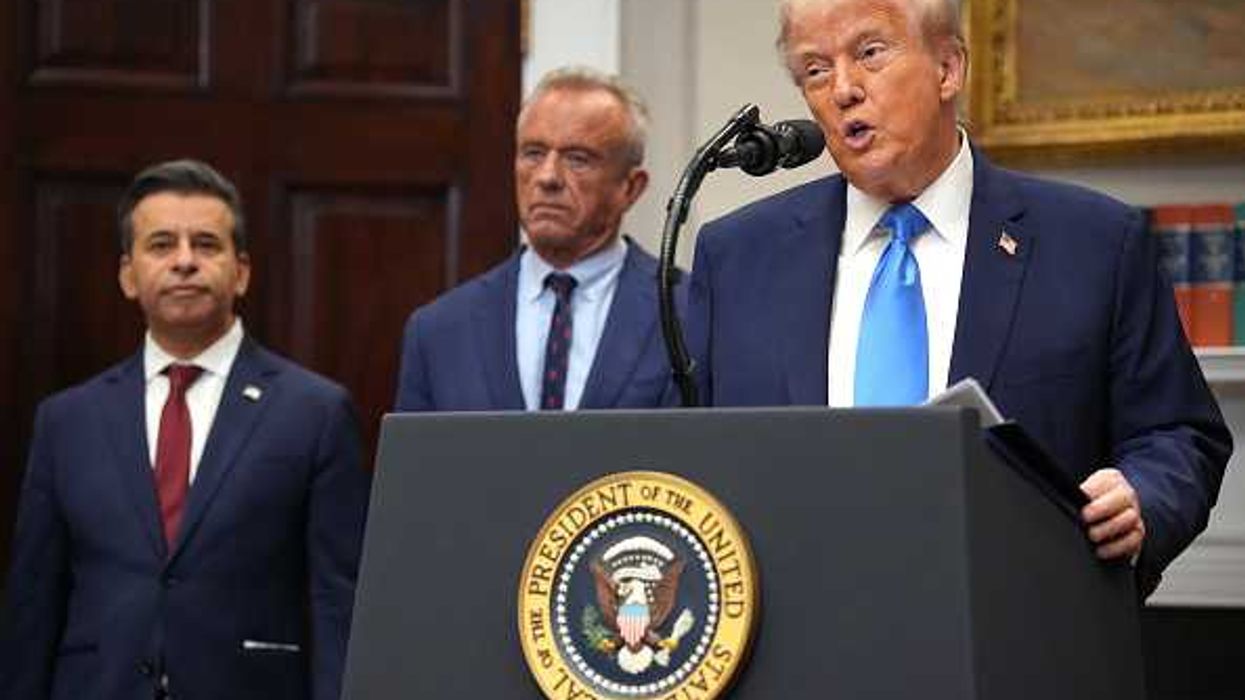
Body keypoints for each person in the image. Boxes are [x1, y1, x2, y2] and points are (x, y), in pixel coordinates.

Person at [686, 0, 1230, 597]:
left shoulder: (1094, 243)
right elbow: (685, 459)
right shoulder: (737, 258)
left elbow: (1180, 436)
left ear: (948, 68)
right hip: (798, 626)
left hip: (1022, 625)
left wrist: (1142, 498)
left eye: (870, 53)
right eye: (815, 70)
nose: (842, 90)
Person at [0, 160, 372, 699]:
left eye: (205, 244)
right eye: (161, 245)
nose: (184, 261)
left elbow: (339, 602)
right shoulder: (67, 422)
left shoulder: (314, 412)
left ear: (241, 272)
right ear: (128, 275)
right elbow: (33, 603)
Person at [394, 67, 678, 412]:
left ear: (630, 188)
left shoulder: (686, 312)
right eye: (533, 153)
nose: (547, 177)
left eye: (577, 159)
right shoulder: (440, 330)